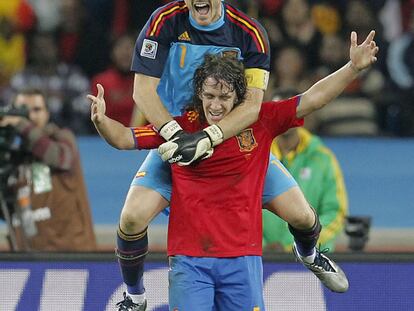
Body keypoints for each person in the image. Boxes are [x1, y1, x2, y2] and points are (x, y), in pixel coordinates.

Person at [89, 30, 378, 309]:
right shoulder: (182, 128)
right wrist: (102, 121)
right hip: (190, 260)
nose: (215, 105)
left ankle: (310, 253)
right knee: (132, 217)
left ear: (239, 97)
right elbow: (125, 138)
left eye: (224, 98)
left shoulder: (260, 120)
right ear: (199, 93)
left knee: (303, 216)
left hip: (241, 258)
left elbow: (314, 98)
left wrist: (352, 67)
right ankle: (134, 297)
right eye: (209, 96)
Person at [0, 88, 97, 251]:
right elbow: (7, 211)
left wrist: (21, 125)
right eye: (23, 110)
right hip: (28, 257)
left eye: (37, 109)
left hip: (71, 257)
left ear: (47, 113)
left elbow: (60, 158)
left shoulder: (62, 138)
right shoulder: (14, 155)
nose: (30, 116)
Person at [262, 90, 348, 252]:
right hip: (261, 256)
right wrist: (261, 246)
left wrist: (303, 244)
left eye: (287, 111)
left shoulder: (323, 158)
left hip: (309, 258)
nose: (283, 117)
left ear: (299, 115)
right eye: (277, 110)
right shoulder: (256, 156)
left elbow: (335, 212)